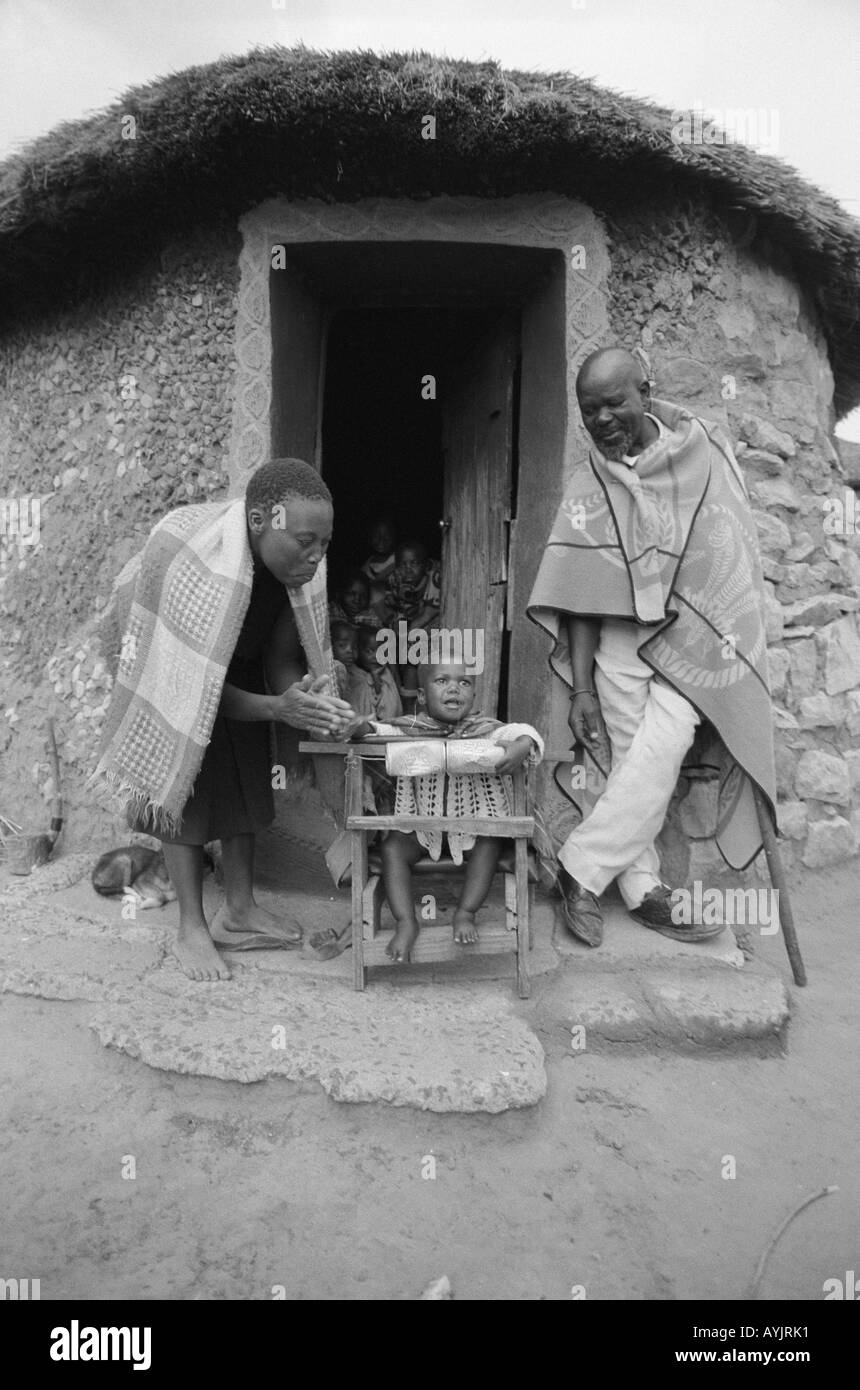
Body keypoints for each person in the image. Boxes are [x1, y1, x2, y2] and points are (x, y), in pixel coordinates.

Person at [527, 347, 776, 947]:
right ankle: (644, 892)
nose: (604, 419)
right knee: (630, 758)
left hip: (694, 634)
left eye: (615, 402)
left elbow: (732, 547)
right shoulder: (591, 483)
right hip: (618, 638)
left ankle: (579, 867)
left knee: (663, 746)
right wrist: (581, 686)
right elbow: (581, 591)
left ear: (647, 390)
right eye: (591, 410)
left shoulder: (704, 454)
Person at [91, 457, 353, 981]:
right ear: (261, 522)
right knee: (184, 799)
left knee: (244, 790)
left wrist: (304, 702)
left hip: (237, 677)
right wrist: (277, 708)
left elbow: (279, 659)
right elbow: (190, 683)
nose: (315, 557)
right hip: (171, 677)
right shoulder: (191, 561)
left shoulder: (291, 579)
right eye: (305, 541)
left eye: (324, 545)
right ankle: (192, 926)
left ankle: (239, 910)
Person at [351, 662, 543, 962]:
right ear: (423, 696)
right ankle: (406, 921)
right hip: (420, 829)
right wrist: (357, 725)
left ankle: (466, 912)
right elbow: (375, 731)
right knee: (392, 849)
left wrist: (524, 743)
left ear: (474, 695)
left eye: (465, 683)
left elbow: (521, 730)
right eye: (442, 680)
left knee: (490, 843)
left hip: (470, 829)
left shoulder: (486, 730)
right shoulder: (408, 729)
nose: (454, 688)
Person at [381, 539, 442, 695]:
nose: (408, 569)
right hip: (410, 618)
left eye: (414, 564)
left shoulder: (435, 574)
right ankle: (398, 693)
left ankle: (414, 700)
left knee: (414, 649)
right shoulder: (394, 578)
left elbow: (430, 612)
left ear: (425, 564)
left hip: (432, 619)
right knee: (388, 643)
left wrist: (406, 634)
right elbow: (394, 608)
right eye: (403, 564)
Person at [347, 625, 403, 721]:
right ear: (357, 651)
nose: (376, 656)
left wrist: (376, 678)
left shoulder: (385, 673)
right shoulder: (353, 675)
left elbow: (388, 709)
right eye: (369, 651)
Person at [360, 514, 397, 604]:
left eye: (387, 535)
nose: (381, 540)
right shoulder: (366, 568)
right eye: (376, 536)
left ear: (394, 537)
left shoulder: (400, 560)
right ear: (370, 538)